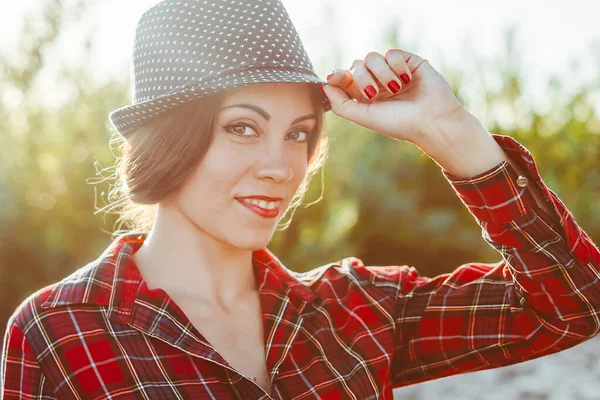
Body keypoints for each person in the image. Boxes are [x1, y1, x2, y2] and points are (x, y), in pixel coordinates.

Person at [2, 0, 599, 398]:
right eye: (242, 127)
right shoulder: (59, 332)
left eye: (299, 133)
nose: (280, 166)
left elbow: (574, 306)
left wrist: (449, 131)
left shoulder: (355, 309)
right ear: (169, 142)